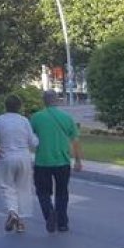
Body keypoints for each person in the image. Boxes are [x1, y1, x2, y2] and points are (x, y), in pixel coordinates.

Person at [0, 94, 38, 233]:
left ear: (5, 106)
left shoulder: (0, 120)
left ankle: (13, 212)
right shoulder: (24, 121)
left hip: (6, 156)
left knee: (8, 186)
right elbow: (33, 141)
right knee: (23, 188)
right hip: (23, 156)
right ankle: (20, 222)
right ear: (19, 107)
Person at [30, 89, 83, 233]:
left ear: (44, 101)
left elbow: (30, 138)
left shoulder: (36, 118)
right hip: (63, 161)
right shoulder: (67, 117)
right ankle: (62, 223)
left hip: (42, 161)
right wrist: (77, 160)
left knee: (42, 192)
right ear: (57, 101)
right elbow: (75, 140)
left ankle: (49, 213)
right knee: (62, 193)